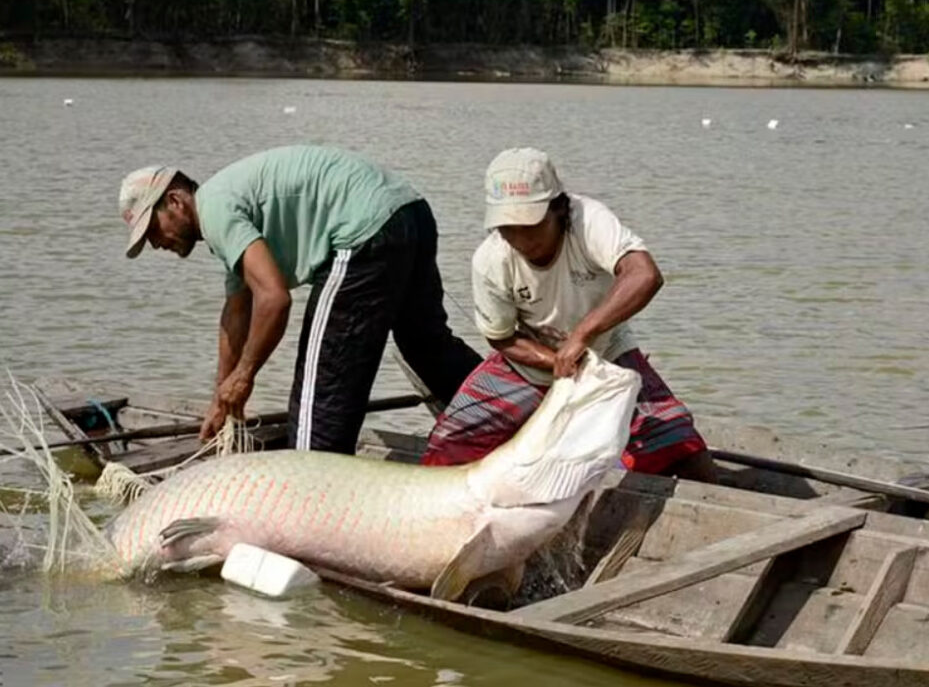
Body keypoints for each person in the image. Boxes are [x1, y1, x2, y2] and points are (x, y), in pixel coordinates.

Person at [118, 144, 481, 453]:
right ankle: (505, 410)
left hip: (363, 231)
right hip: (410, 211)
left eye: (153, 229)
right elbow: (237, 310)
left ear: (176, 201)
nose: (156, 244)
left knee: (320, 398)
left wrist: (244, 376)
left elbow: (274, 300)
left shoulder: (215, 211)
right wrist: (220, 398)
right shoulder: (224, 204)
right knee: (427, 346)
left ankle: (314, 493)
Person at [422, 147, 720, 482]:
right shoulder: (490, 259)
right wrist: (556, 361)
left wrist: (582, 336)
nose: (520, 239)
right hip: (527, 365)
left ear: (559, 209)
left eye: (530, 225)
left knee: (683, 451)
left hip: (606, 355)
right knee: (446, 447)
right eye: (508, 227)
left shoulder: (588, 221)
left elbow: (644, 274)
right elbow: (502, 338)